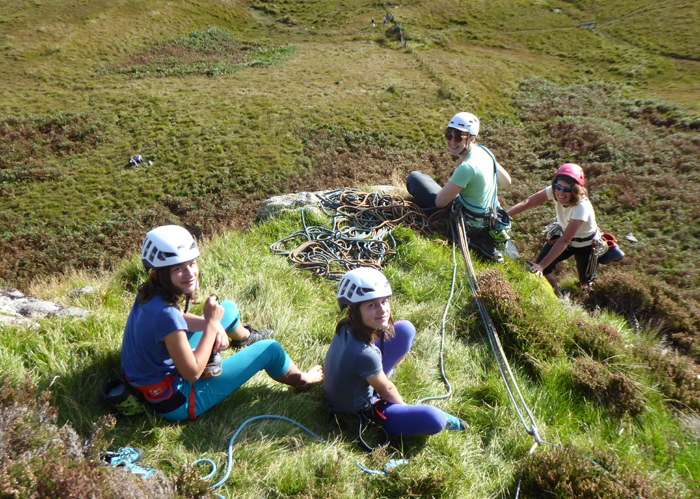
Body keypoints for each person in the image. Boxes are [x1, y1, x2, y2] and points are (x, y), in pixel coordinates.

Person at [121, 225, 323, 421]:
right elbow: (192, 373)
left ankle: (244, 338)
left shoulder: (149, 293)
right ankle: (303, 380)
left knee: (227, 308)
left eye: (192, 264)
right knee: (270, 349)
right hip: (176, 401)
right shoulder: (165, 315)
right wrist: (211, 325)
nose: (190, 273)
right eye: (178, 268)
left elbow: (177, 321)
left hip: (149, 380)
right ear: (158, 274)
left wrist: (215, 324)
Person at [323, 267, 467, 436]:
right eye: (372, 305)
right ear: (352, 310)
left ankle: (378, 375)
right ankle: (382, 382)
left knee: (406, 329)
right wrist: (403, 409)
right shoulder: (365, 354)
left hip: (339, 389)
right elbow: (387, 391)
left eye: (384, 301)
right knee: (436, 419)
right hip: (358, 411)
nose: (382, 310)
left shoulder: (346, 326)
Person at [406, 112, 512, 262]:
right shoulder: (485, 152)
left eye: (458, 137)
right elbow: (506, 181)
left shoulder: (467, 167)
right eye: (449, 135)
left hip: (469, 222)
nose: (452, 142)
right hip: (489, 217)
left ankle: (474, 240)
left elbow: (439, 203)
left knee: (415, 178)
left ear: (471, 138)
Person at [507, 163, 608, 297]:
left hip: (585, 245)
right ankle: (558, 293)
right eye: (558, 187)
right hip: (563, 236)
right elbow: (529, 202)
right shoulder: (554, 191)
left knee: (586, 280)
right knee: (543, 266)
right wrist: (505, 215)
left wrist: (541, 265)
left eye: (567, 190)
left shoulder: (582, 206)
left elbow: (565, 240)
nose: (560, 193)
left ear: (575, 190)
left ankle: (589, 301)